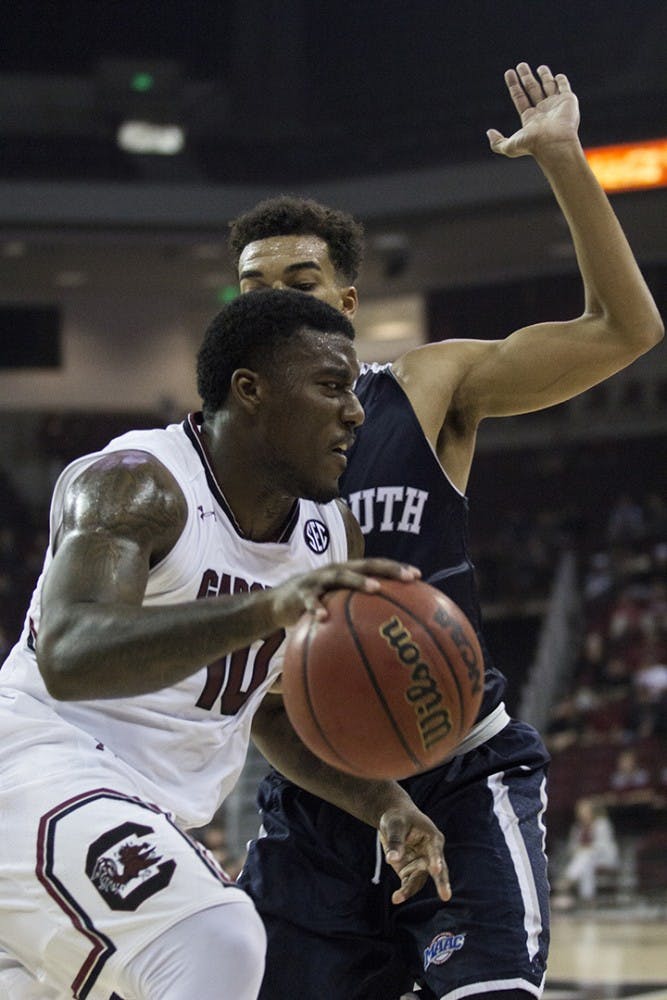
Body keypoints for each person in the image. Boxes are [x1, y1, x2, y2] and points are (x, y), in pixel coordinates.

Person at [229, 62, 664, 1000]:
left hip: (458, 771)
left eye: (300, 280)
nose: (273, 299)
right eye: (253, 286)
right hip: (318, 802)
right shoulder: (216, 469)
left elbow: (622, 329)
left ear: (346, 304)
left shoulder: (421, 389)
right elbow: (256, 698)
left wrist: (563, 159)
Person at [0, 290, 450, 1000]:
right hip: (37, 771)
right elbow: (69, 653)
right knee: (219, 937)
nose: (355, 412)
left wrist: (385, 802)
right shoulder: (136, 483)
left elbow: (269, 710)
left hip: (150, 814)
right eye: (330, 386)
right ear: (250, 390)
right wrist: (266, 608)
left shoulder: (331, 535)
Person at [552, 798, 619, 908]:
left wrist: (585, 849)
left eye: (585, 811)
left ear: (592, 811)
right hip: (586, 860)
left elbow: (602, 846)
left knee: (586, 856)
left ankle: (567, 880)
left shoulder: (602, 824)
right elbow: (571, 847)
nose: (582, 814)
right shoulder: (577, 828)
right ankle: (587, 899)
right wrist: (580, 849)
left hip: (605, 858)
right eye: (580, 811)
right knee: (587, 863)